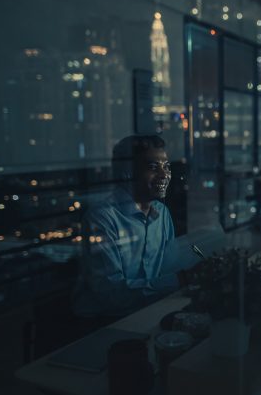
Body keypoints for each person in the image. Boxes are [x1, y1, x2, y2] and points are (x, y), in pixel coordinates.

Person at [72, 135, 189, 318]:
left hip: (145, 313)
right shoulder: (101, 218)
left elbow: (169, 269)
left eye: (166, 167)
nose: (164, 174)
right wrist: (180, 280)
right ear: (127, 173)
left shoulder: (162, 213)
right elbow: (111, 293)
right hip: (103, 323)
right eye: (153, 167)